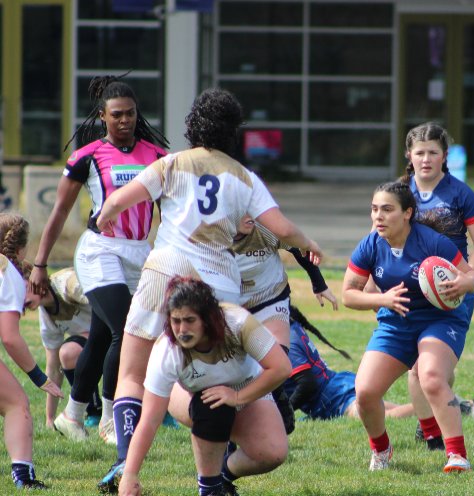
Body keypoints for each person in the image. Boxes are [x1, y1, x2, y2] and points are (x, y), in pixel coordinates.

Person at [94, 88, 322, 493]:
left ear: (192, 125)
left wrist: (105, 218)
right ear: (234, 131)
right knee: (218, 376)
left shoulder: (172, 163)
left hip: (164, 270)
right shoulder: (243, 176)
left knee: (131, 372)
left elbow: (120, 201)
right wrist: (309, 243)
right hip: (217, 285)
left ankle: (124, 463)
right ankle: (212, 468)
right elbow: (283, 229)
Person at [29, 74, 169, 444]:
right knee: (127, 328)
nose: (125, 121)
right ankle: (110, 418)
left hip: (141, 253)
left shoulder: (158, 156)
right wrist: (40, 264)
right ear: (102, 117)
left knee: (105, 334)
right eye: (117, 115)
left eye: (131, 114)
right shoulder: (86, 157)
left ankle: (72, 416)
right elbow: (59, 212)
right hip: (100, 251)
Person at [341, 181, 474, 473]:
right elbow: (348, 295)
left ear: (407, 213)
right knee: (364, 391)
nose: (378, 216)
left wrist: (462, 283)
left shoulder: (432, 242)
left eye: (387, 209)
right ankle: (381, 450)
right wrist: (383, 299)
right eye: (374, 209)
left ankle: (456, 455)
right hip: (396, 320)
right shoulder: (370, 244)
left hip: (440, 319)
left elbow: (472, 278)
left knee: (430, 376)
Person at [118, 276, 290, 496]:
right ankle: (209, 489)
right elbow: (149, 420)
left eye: (189, 320)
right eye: (175, 320)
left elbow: (281, 368)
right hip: (190, 394)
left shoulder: (237, 323)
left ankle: (223, 477)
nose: (181, 329)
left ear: (208, 319)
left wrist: (237, 397)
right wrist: (130, 474)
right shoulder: (166, 351)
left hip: (244, 386)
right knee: (213, 407)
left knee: (272, 453)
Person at [398, 122, 474, 449]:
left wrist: (467, 278)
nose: (426, 159)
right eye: (420, 152)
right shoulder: (399, 193)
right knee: (417, 369)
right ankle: (430, 432)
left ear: (444, 157)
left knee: (437, 369)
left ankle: (437, 420)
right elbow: (381, 237)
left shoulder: (460, 193)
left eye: (433, 152)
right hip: (412, 292)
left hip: (452, 292)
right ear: (409, 155)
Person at [284, 305, 474, 421]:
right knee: (399, 410)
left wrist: (282, 413)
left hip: (333, 397)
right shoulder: (286, 328)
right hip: (339, 385)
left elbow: (308, 384)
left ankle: (461, 408)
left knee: (390, 415)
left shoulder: (284, 334)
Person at [232, 217, 338, 433]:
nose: (250, 215)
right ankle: (241, 423)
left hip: (271, 299)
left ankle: (278, 398)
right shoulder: (212, 234)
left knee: (275, 361)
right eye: (242, 209)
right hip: (234, 304)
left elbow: (299, 248)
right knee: (236, 369)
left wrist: (319, 284)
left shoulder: (266, 228)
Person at [0, 213, 64, 489]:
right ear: (22, 248)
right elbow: (10, 338)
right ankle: (23, 478)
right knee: (17, 404)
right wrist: (40, 378)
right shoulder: (9, 274)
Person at [22, 267, 103, 428]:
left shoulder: (67, 283)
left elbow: (105, 300)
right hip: (98, 339)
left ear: (35, 280)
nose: (18, 299)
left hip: (119, 331)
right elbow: (53, 368)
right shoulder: (46, 314)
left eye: (21, 289)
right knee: (67, 353)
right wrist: (49, 418)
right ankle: (94, 412)